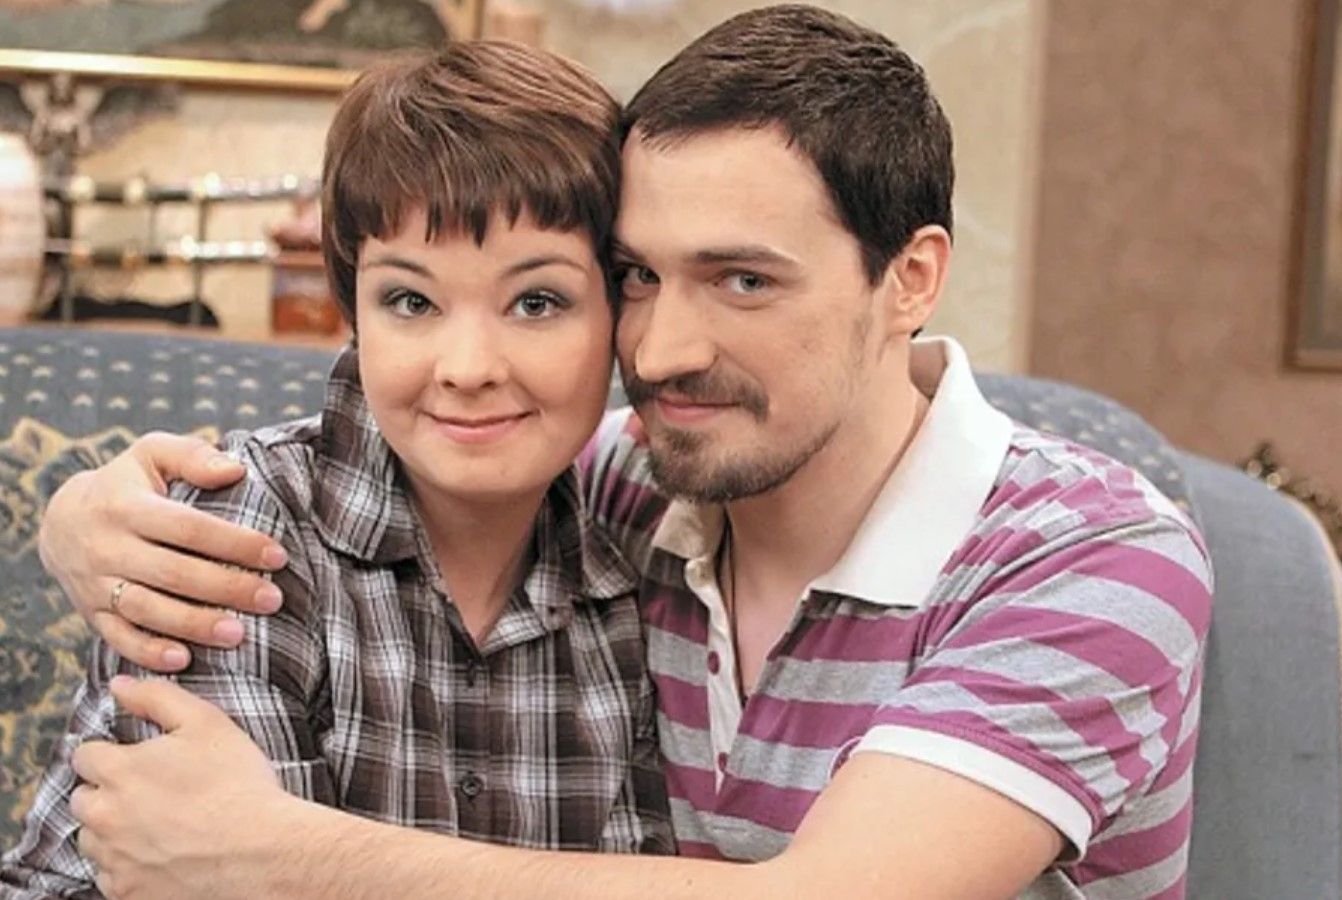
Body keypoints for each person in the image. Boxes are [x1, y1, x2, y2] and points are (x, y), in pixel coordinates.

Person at [32, 6, 1213, 898]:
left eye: (742, 280)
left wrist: (281, 855)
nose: (663, 348)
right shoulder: (619, 490)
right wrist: (84, 513)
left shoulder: (1098, 560)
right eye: (641, 277)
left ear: (910, 277)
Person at [1, 40, 674, 898]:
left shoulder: (625, 585)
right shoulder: (244, 530)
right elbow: (215, 882)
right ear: (354, 309)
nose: (468, 367)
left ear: (619, 314)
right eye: (411, 301)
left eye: (536, 302)